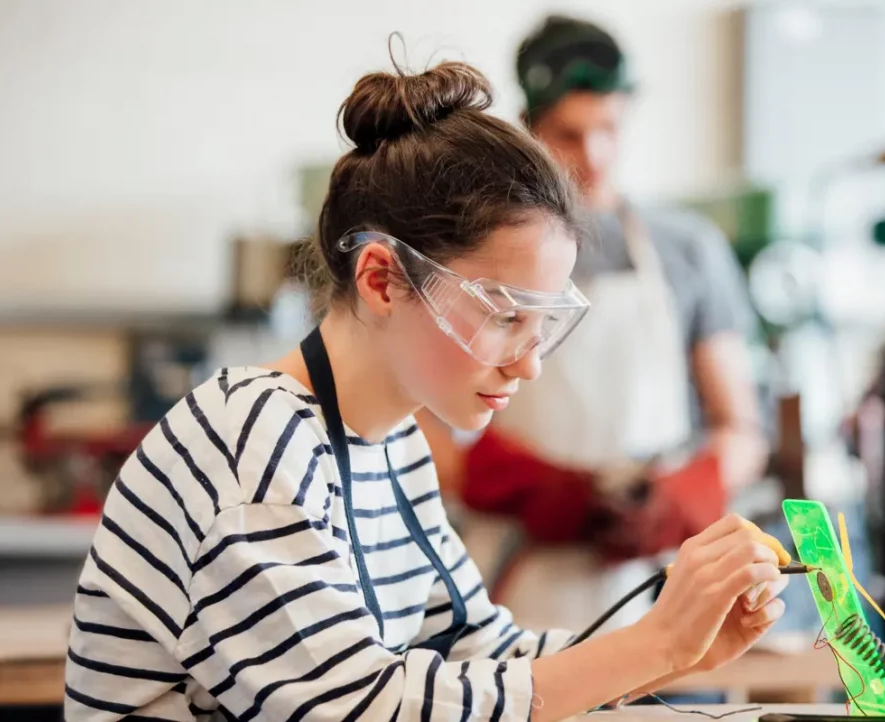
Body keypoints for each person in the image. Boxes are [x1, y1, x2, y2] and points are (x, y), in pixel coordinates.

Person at [64, 57, 791, 722]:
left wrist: (682, 644)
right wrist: (653, 647)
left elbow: (474, 652)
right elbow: (352, 707)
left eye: (542, 324)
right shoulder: (253, 440)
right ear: (382, 279)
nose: (528, 364)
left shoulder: (392, 442)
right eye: (506, 315)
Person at [418, 15, 768, 632]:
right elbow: (420, 420)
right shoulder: (483, 247)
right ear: (530, 130)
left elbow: (739, 426)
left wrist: (688, 494)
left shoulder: (688, 249)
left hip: (659, 574)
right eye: (569, 135)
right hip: (517, 573)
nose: (594, 156)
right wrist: (517, 485)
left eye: (609, 129)